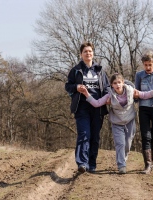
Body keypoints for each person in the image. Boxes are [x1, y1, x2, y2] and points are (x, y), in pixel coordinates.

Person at [81, 73, 153, 174]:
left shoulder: (131, 91)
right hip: (117, 123)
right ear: (111, 85)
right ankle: (121, 165)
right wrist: (86, 94)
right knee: (120, 144)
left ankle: (123, 158)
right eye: (115, 83)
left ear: (123, 82)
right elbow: (97, 103)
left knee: (127, 145)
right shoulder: (109, 95)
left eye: (119, 82)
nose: (117, 85)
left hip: (129, 122)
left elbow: (143, 95)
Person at [65, 42, 110, 173]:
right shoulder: (76, 70)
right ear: (81, 54)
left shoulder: (100, 70)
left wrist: (107, 98)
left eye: (90, 51)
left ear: (93, 53)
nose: (88, 53)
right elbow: (68, 86)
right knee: (84, 134)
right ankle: (82, 163)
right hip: (82, 107)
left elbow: (107, 87)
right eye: (85, 51)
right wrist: (76, 87)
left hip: (98, 107)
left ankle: (92, 164)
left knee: (94, 136)